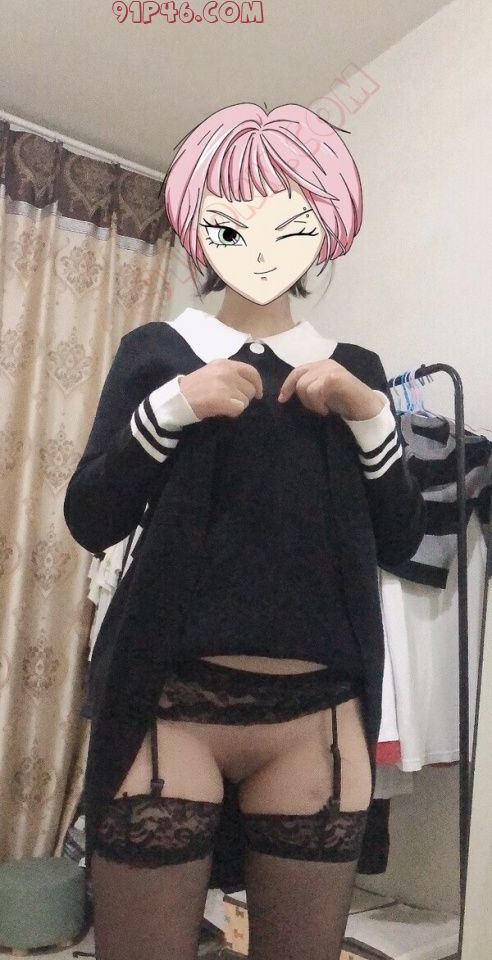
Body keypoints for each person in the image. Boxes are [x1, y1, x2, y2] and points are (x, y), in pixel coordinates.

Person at [64, 102, 426, 960]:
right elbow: (90, 517)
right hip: (169, 705)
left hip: (318, 715)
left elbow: (403, 537)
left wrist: (372, 416)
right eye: (234, 221)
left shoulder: (354, 372)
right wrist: (171, 408)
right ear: (201, 228)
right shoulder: (157, 351)